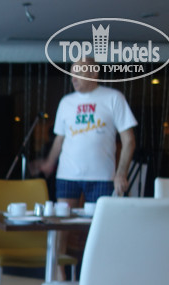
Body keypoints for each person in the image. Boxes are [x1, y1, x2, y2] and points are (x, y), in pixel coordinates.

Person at [37, 57, 137, 204]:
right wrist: (49, 163)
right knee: (63, 218)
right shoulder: (66, 102)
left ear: (94, 73)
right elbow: (59, 139)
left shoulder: (114, 98)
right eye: (72, 75)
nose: (73, 79)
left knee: (99, 219)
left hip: (102, 176)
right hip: (67, 174)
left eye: (79, 74)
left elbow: (129, 141)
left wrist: (121, 174)